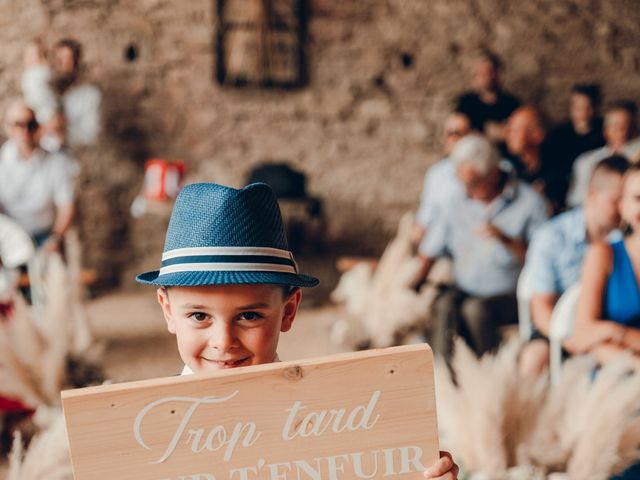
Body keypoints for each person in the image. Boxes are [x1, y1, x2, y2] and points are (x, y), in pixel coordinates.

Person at [136, 182, 459, 479]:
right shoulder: (141, 440)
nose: (223, 342)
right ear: (169, 311)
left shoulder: (339, 424)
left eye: (249, 315)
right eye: (198, 316)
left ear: (288, 311)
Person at [417, 134, 548, 359]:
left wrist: (508, 241)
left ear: (494, 175)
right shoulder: (455, 199)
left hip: (510, 297)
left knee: (475, 310)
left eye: (473, 184)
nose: (467, 190)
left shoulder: (530, 204)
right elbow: (430, 250)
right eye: (463, 182)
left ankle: (490, 374)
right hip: (465, 289)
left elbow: (543, 263)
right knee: (444, 304)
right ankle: (441, 376)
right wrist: (411, 285)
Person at [519, 156, 629, 376]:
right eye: (615, 200)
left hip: (610, 323)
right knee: (534, 358)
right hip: (559, 330)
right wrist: (572, 339)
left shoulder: (628, 239)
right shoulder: (551, 236)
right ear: (591, 195)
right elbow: (541, 309)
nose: (621, 208)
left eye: (625, 200)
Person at [565, 164, 640, 369]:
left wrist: (611, 332)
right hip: (617, 371)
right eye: (637, 199)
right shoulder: (604, 254)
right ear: (622, 206)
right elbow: (581, 336)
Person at [0, 100, 75, 250]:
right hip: (8, 238)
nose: (25, 131)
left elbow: (66, 206)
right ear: (8, 128)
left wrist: (56, 238)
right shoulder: (1, 160)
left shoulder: (56, 162)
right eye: (18, 124)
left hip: (45, 236)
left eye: (30, 124)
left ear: (38, 127)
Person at [568, 101, 640, 207]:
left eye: (627, 125)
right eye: (616, 126)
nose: (623, 131)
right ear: (606, 130)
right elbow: (577, 201)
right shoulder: (587, 162)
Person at [414, 112, 471, 242]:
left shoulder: (487, 171)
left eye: (454, 133)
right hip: (435, 240)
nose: (447, 139)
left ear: (471, 135)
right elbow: (427, 210)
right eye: (446, 133)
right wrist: (419, 227)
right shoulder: (437, 173)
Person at [544, 85, 605, 200]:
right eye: (578, 107)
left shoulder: (604, 133)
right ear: (571, 108)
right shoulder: (559, 136)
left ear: (595, 108)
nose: (582, 111)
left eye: (587, 107)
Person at [455, 51, 520, 142]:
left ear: (497, 74)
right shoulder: (466, 103)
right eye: (479, 73)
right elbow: (458, 132)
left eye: (486, 72)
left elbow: (517, 135)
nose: (482, 77)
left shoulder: (511, 104)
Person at [52, 38, 101, 147]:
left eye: (68, 59)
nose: (62, 64)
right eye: (59, 59)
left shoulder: (89, 95)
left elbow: (91, 135)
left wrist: (63, 130)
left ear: (77, 63)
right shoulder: (45, 93)